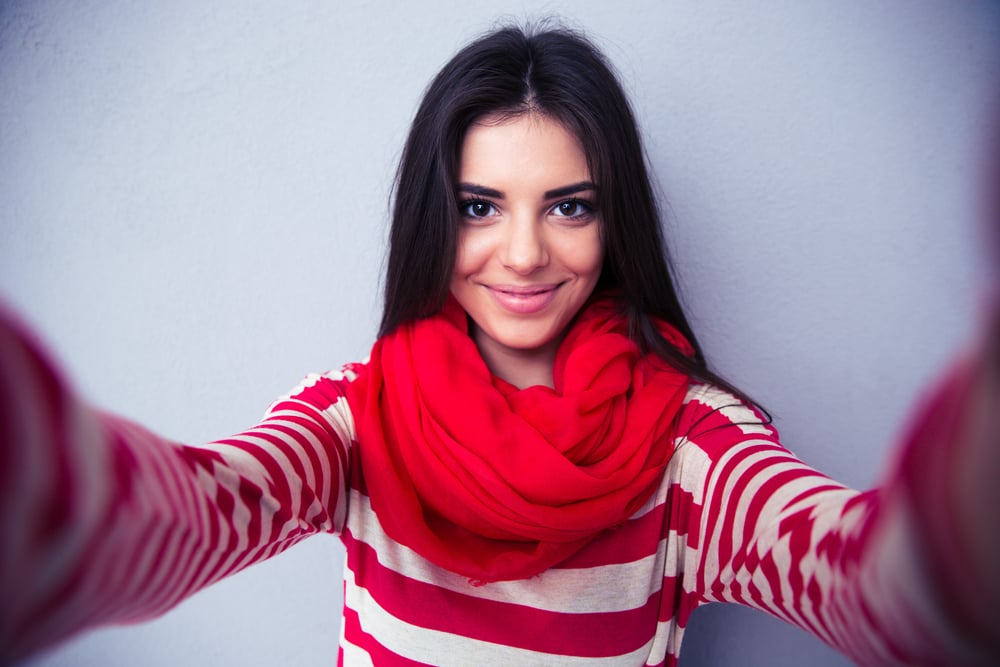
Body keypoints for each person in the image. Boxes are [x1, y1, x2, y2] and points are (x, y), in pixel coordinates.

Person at [1, 23, 998, 667]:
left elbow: (866, 581)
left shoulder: (691, 447)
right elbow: (184, 514)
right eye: (481, 207)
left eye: (569, 206)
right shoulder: (355, 420)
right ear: (435, 217)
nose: (523, 255)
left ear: (616, 225)